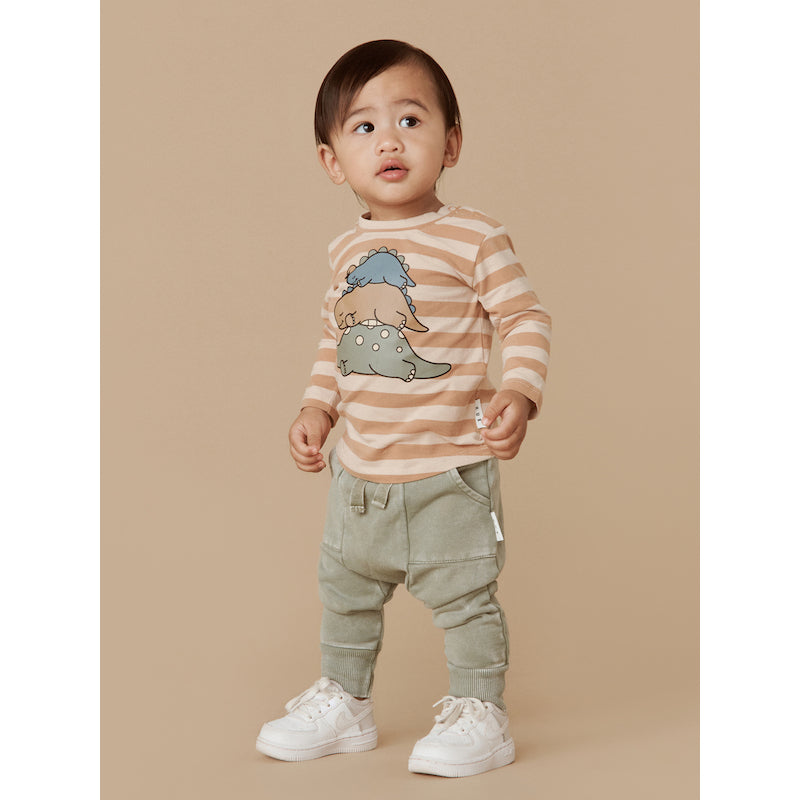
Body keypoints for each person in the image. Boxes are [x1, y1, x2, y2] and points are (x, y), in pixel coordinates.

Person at [255, 39, 551, 778]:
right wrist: (317, 409)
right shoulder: (344, 251)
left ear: (451, 143)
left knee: (466, 599)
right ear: (333, 161)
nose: (389, 140)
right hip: (359, 478)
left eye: (411, 121)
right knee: (345, 595)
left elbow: (524, 318)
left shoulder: (474, 236)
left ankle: (480, 711)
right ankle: (346, 702)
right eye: (364, 127)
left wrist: (518, 391)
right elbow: (337, 339)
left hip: (450, 472)